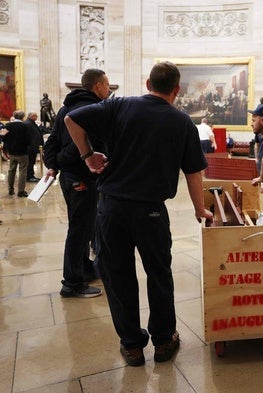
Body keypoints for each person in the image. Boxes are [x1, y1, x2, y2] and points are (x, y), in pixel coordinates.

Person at [64, 61, 213, 367]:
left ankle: (132, 345)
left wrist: (88, 156)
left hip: (112, 208)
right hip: (151, 212)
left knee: (117, 276)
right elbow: (194, 173)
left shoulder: (119, 106)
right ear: (177, 90)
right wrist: (200, 209)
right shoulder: (183, 121)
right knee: (159, 274)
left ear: (147, 83)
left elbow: (71, 119)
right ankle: (162, 341)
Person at [44, 69, 111, 299]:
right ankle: (72, 283)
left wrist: (52, 164)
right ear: (98, 85)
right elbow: (80, 145)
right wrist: (61, 161)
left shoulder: (65, 107)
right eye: (107, 84)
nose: (109, 89)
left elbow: (52, 140)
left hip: (69, 177)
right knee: (79, 229)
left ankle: (83, 268)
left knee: (82, 226)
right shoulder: (93, 110)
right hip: (81, 177)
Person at [3, 110, 31, 197]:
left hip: (12, 152)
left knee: (11, 170)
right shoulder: (25, 126)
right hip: (23, 152)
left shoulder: (8, 125)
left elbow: (4, 138)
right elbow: (28, 139)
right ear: (23, 117)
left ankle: (10, 189)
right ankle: (21, 191)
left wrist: (9, 147)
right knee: (22, 171)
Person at [24, 112, 43, 182]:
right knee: (30, 162)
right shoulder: (28, 123)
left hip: (33, 147)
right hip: (30, 147)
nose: (37, 117)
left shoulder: (31, 122)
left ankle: (31, 175)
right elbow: (30, 137)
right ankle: (29, 177)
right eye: (35, 116)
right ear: (31, 116)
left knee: (31, 162)